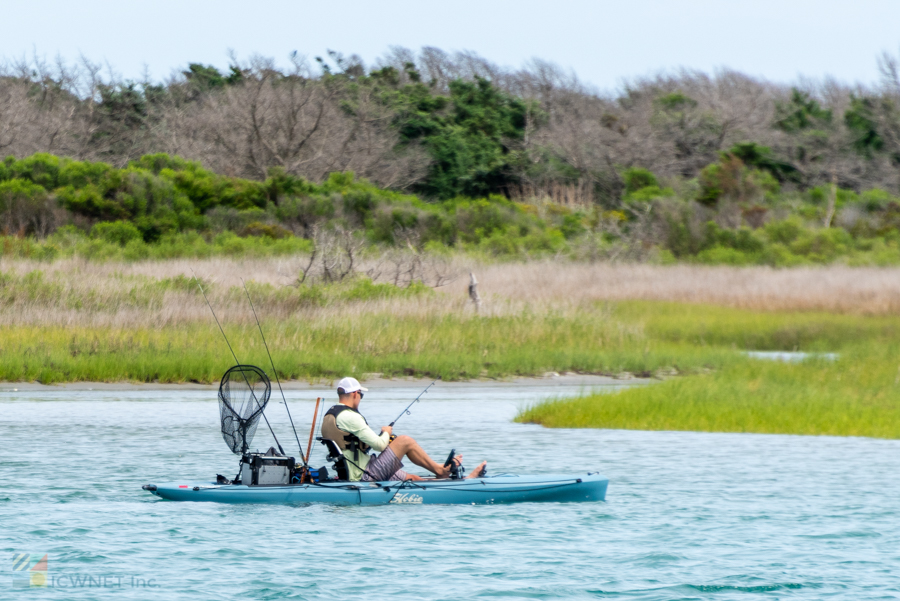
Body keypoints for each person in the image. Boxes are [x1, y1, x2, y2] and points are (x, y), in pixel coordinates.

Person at [321, 377, 487, 482]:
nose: (361, 399)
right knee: (405, 441)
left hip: (356, 470)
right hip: (364, 474)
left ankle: (464, 479)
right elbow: (379, 445)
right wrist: (386, 432)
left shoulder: (331, 415)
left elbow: (354, 445)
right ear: (355, 394)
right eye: (361, 395)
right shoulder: (351, 417)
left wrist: (385, 438)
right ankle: (440, 470)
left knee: (412, 478)